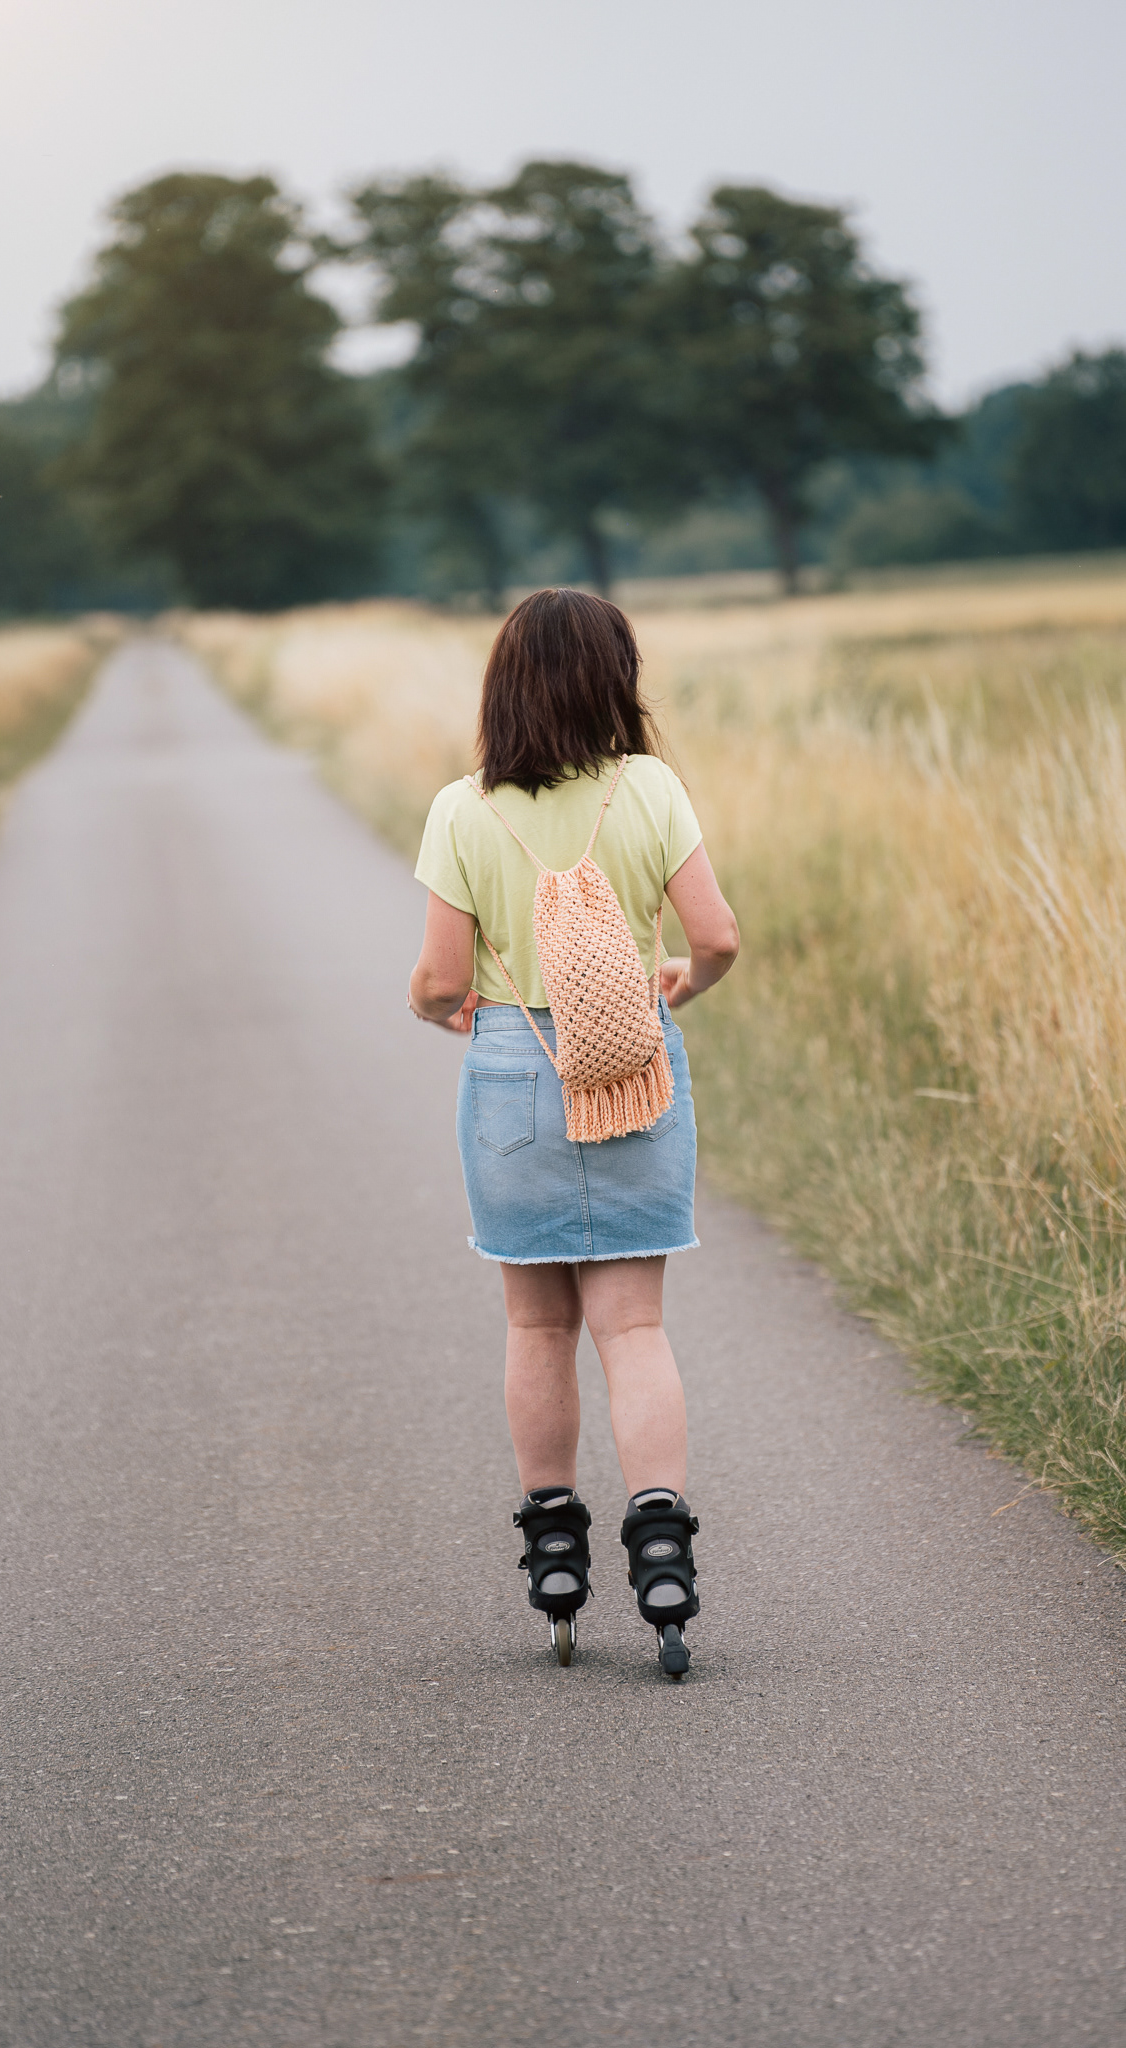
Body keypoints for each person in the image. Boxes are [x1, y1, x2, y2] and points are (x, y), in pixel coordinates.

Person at [408, 588, 739, 1677]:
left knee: (537, 1325)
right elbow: (718, 935)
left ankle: (554, 1545)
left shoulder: (462, 808)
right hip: (631, 1063)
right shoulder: (649, 788)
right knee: (633, 1327)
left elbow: (441, 980)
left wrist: (432, 1004)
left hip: (512, 1070)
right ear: (616, 677)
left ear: (504, 685)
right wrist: (678, 983)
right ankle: (663, 1552)